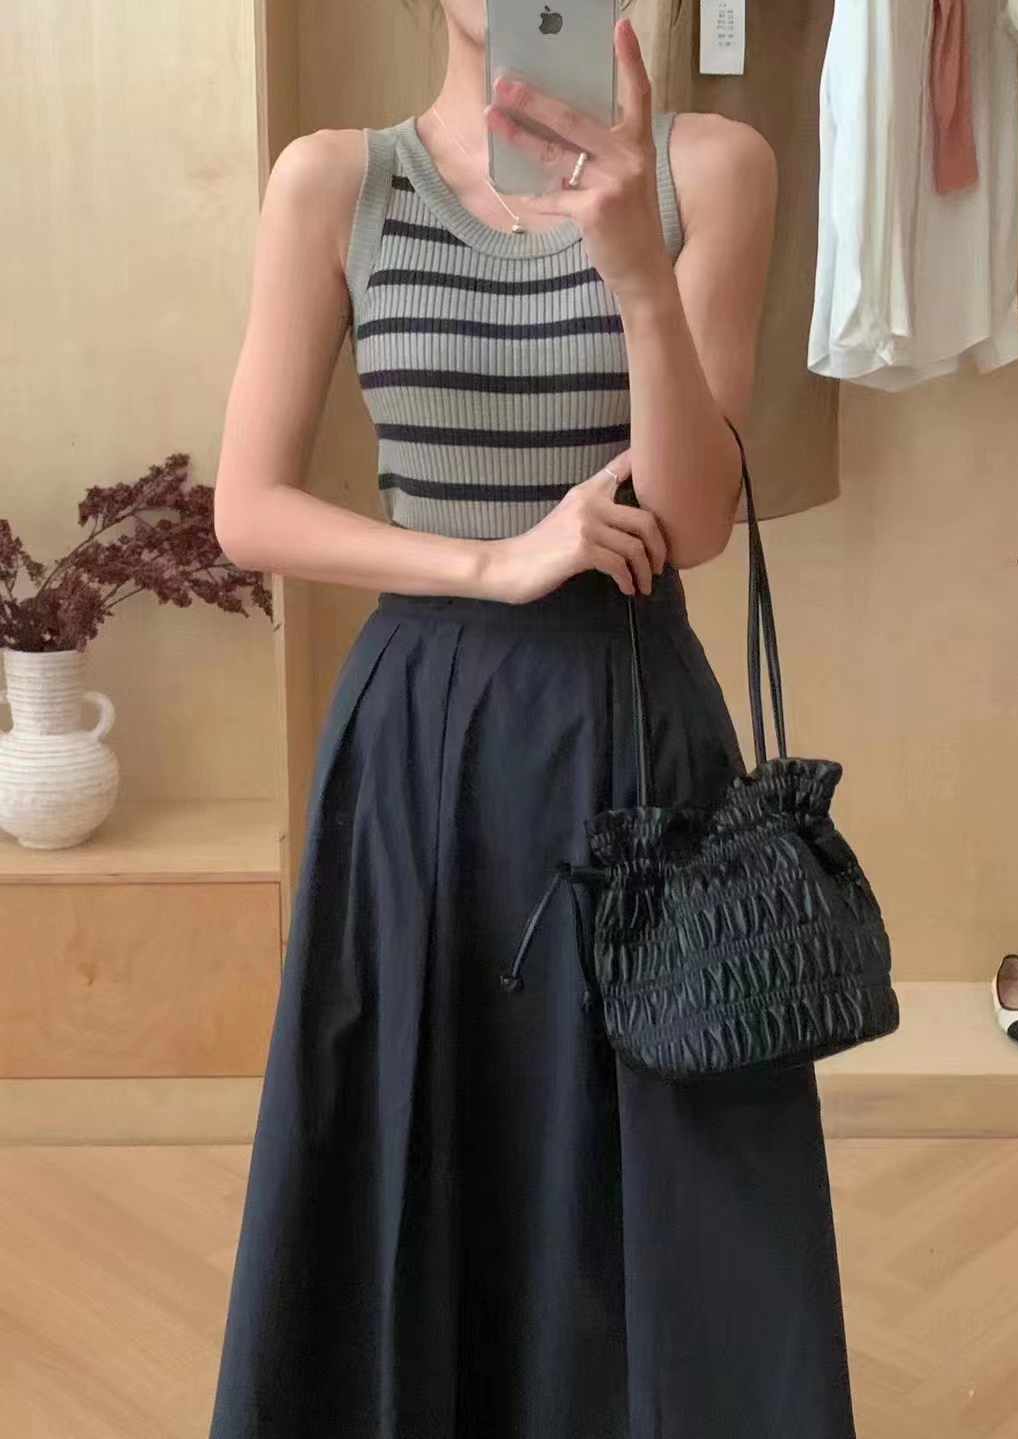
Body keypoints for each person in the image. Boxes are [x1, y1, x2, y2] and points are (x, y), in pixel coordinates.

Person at [206, 5, 857, 1436]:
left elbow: (692, 520)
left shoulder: (713, 166)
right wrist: (493, 562)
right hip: (419, 737)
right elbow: (247, 509)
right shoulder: (338, 179)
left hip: (630, 716)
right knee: (418, 1116)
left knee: (662, 1132)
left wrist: (635, 268)